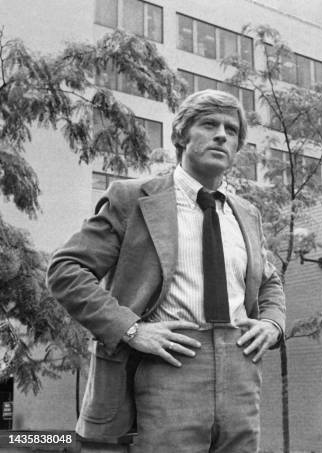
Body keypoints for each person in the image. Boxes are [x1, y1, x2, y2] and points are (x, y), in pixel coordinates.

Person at [47, 89, 285, 452]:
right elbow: (66, 269)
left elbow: (269, 281)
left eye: (232, 130)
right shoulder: (133, 199)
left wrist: (272, 323)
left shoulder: (247, 213)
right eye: (209, 124)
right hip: (168, 364)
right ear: (180, 136)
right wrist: (130, 329)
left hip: (241, 374)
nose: (222, 134)